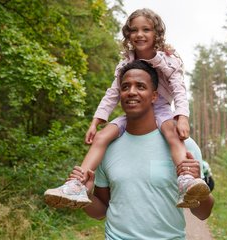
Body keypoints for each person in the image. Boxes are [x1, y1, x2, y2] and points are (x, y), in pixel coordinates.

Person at [44, 8, 209, 209]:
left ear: (156, 33)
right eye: (134, 30)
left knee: (172, 133)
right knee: (102, 137)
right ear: (128, 34)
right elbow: (112, 93)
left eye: (146, 29)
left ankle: (185, 180)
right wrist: (96, 122)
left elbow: (179, 90)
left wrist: (181, 116)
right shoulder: (125, 63)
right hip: (132, 111)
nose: (140, 34)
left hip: (163, 110)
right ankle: (76, 185)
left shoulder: (168, 59)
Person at [71, 60, 215, 239]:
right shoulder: (106, 147)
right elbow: (101, 211)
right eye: (125, 87)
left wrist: (196, 181)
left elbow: (203, 213)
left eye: (140, 86)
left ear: (154, 96)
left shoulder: (184, 146)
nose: (131, 92)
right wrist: (85, 195)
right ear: (119, 94)